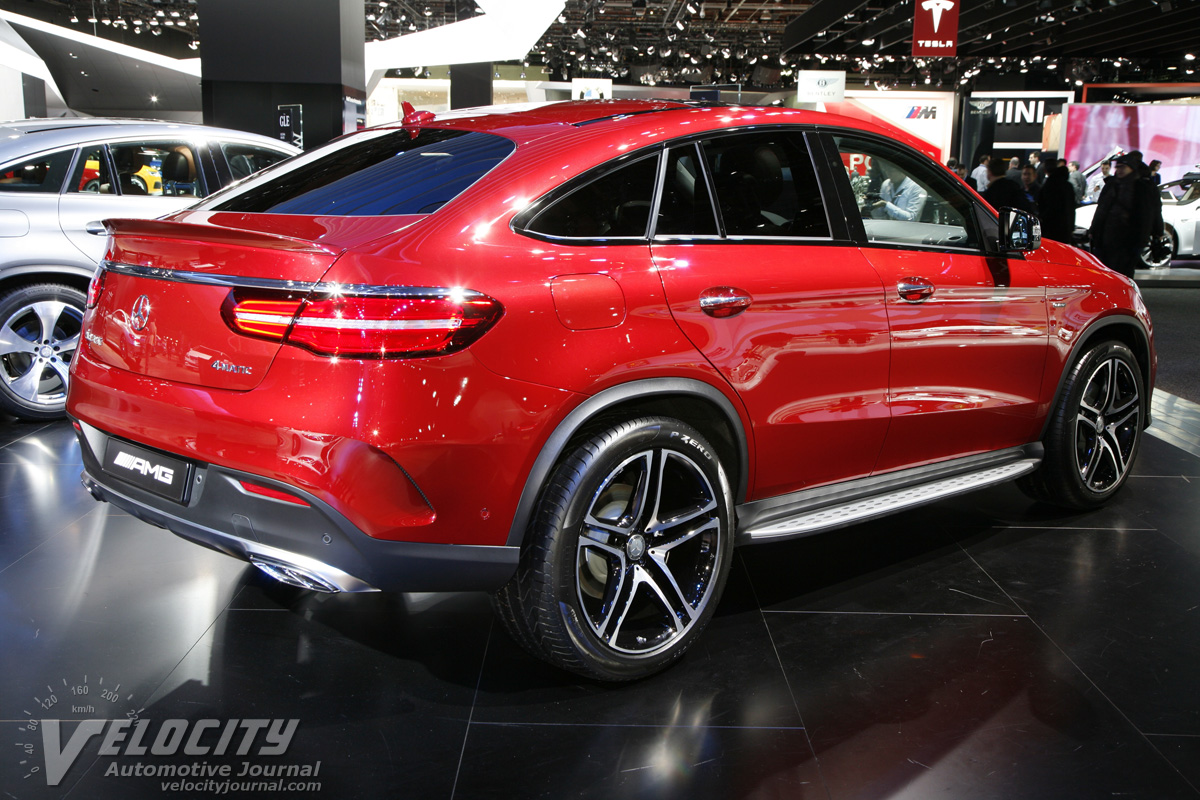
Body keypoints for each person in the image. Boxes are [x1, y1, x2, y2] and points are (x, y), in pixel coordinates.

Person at [1089, 152, 1159, 278]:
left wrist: (1153, 234)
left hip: (1130, 237)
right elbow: (1102, 209)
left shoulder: (1141, 187)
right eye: (1118, 167)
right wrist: (1094, 230)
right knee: (1109, 271)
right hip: (1109, 235)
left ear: (1132, 168)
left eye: (1123, 167)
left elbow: (1149, 213)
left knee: (1124, 271)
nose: (1119, 170)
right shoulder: (1113, 184)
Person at [1038, 165, 1076, 244]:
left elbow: (1042, 201)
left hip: (1050, 223)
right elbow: (1071, 208)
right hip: (1064, 224)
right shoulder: (1068, 186)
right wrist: (1071, 227)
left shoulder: (1049, 184)